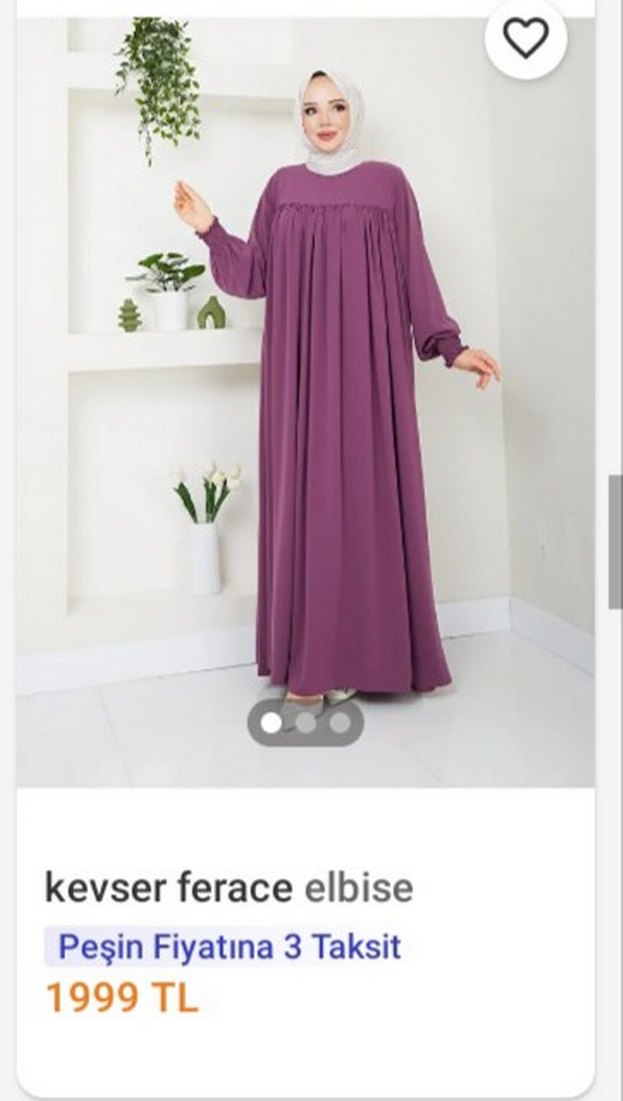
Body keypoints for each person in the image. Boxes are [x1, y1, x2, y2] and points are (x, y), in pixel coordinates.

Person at [173, 68, 501, 731]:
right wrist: (209, 228)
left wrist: (449, 345)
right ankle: (313, 667)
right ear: (298, 118)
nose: (324, 120)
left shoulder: (387, 185)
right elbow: (255, 274)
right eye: (311, 109)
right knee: (309, 505)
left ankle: (367, 658)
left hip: (372, 371)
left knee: (367, 499)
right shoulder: (282, 188)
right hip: (298, 375)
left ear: (355, 112)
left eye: (337, 106)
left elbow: (414, 271)